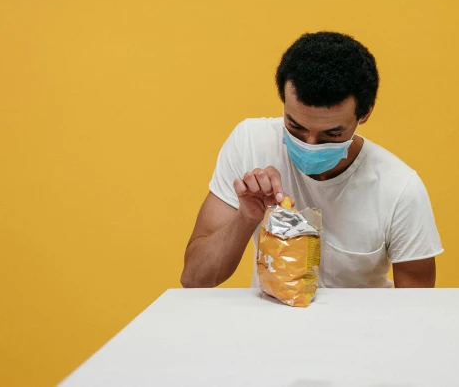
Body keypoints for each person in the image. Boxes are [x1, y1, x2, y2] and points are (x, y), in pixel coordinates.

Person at [181, 31, 443, 289]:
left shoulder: (400, 188)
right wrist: (245, 217)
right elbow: (195, 279)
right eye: (295, 127)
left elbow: (416, 310)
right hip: (273, 328)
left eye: (332, 133)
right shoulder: (250, 143)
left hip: (361, 330)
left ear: (365, 114)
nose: (310, 146)